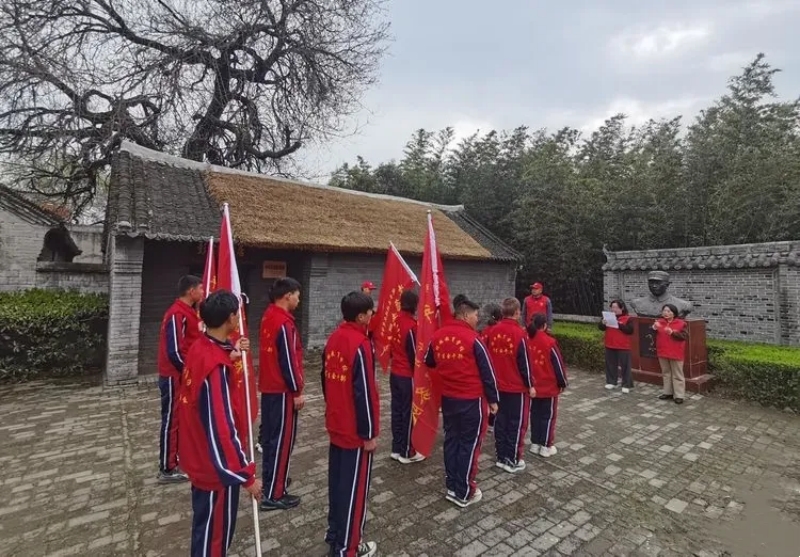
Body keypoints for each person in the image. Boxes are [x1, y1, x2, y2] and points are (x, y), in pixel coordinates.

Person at [178, 290, 263, 557]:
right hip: (214, 468)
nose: (238, 318)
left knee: (205, 528)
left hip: (199, 454)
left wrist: (231, 354)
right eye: (237, 314)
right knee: (214, 537)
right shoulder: (214, 367)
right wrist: (245, 475)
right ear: (229, 318)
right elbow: (221, 428)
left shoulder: (201, 347)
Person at [425, 294, 498, 508]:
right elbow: (488, 373)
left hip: (449, 399)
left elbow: (429, 361)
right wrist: (493, 400)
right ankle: (464, 491)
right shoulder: (473, 339)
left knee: (452, 441)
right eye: (475, 315)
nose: (477, 319)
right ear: (465, 316)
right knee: (469, 444)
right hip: (471, 401)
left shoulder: (437, 336)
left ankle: (452, 486)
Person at [322, 291, 379, 557]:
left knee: (338, 484)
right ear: (360, 316)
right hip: (354, 430)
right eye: (370, 311)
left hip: (336, 422)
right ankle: (348, 548)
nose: (372, 314)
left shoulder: (333, 338)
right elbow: (364, 392)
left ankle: (335, 534)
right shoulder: (360, 344)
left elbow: (324, 380)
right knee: (354, 491)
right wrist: (369, 433)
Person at [258, 277, 305, 511]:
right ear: (287, 295)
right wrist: (297, 391)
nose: (298, 299)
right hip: (282, 391)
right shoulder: (283, 323)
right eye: (297, 295)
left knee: (270, 440)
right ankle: (274, 494)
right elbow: (288, 360)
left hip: (269, 388)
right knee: (281, 441)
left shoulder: (268, 316)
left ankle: (272, 481)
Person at [156, 274, 204, 483]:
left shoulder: (188, 312)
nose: (203, 292)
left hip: (181, 375)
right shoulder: (177, 314)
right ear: (191, 291)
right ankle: (167, 468)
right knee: (171, 419)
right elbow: (174, 351)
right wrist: (188, 373)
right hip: (174, 376)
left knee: (180, 418)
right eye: (200, 289)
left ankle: (176, 458)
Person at [484, 298, 534, 473]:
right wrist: (530, 385)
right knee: (516, 424)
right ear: (517, 312)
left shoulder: (492, 331)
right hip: (516, 388)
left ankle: (501, 457)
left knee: (500, 421)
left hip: (497, 386)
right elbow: (525, 363)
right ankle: (512, 459)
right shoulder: (520, 334)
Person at [389, 289, 425, 464]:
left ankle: (396, 448)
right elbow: (413, 356)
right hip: (406, 375)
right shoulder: (411, 326)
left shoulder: (396, 321)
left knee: (396, 411)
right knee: (408, 413)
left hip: (395, 373)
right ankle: (406, 451)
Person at [526, 313, 568, 458]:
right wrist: (562, 383)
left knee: (535, 415)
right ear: (544, 325)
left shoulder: (526, 339)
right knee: (548, 416)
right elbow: (558, 365)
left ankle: (535, 443)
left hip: (533, 386)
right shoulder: (549, 342)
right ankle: (546, 445)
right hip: (548, 386)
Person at [652, 303, 689, 405]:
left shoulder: (681, 323)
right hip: (662, 351)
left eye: (669, 311)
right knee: (666, 373)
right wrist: (654, 328)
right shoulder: (659, 322)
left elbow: (684, 336)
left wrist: (672, 332)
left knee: (677, 374)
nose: (666, 313)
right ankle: (668, 392)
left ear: (674, 313)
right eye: (664, 311)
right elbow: (650, 334)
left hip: (675, 352)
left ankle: (679, 395)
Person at [599, 299, 635, 393]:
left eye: (616, 307)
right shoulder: (607, 317)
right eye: (612, 307)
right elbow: (601, 328)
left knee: (625, 366)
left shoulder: (628, 318)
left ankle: (626, 384)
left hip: (623, 346)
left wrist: (618, 324)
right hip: (610, 344)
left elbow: (630, 330)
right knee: (610, 364)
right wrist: (602, 323)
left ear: (621, 308)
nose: (613, 309)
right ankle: (611, 381)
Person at [479, 302, 502, 434]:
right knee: (495, 395)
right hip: (495, 366)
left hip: (485, 366)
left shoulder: (485, 330)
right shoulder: (497, 330)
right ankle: (492, 422)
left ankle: (488, 421)